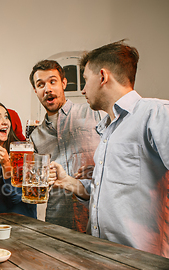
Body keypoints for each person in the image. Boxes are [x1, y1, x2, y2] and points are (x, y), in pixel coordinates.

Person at [50, 40, 169, 270]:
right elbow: (111, 191)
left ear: (102, 76)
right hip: (102, 262)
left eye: (85, 79)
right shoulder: (108, 130)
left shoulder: (157, 113)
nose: (83, 90)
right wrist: (70, 182)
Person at [29, 60, 104, 231]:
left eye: (52, 81)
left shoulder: (94, 113)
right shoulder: (35, 137)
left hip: (94, 214)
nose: (47, 89)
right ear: (35, 91)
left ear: (63, 83)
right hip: (58, 217)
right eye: (40, 84)